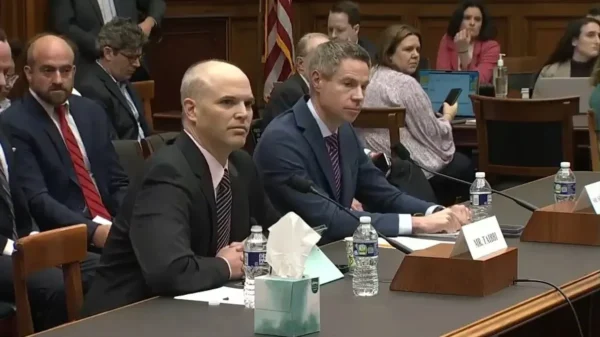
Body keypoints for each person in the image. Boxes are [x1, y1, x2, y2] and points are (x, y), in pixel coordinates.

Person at [81, 60, 280, 316]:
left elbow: (272, 231)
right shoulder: (168, 172)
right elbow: (169, 271)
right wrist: (225, 265)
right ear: (191, 110)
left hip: (205, 306)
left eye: (248, 103)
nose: (243, 113)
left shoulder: (240, 163)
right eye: (227, 102)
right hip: (130, 315)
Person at [254, 40, 470, 243]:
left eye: (363, 86)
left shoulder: (344, 130)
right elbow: (328, 220)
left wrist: (436, 211)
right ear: (317, 80)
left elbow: (380, 192)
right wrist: (418, 224)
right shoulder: (282, 140)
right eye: (348, 84)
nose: (359, 96)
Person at [1, 34, 129, 249]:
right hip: (66, 237)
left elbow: (116, 182)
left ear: (74, 72)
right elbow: (37, 199)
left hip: (113, 226)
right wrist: (94, 231)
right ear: (29, 73)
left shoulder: (91, 112)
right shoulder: (13, 122)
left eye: (66, 70)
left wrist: (131, 220)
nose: (58, 79)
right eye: (48, 70)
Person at [0, 28, 70, 333]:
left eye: (7, 74)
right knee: (56, 283)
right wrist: (16, 249)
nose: (4, 85)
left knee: (99, 267)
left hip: (19, 240)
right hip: (4, 250)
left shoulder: (3, 121)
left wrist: (34, 238)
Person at [359, 24, 473, 206]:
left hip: (377, 167)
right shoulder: (406, 84)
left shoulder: (368, 77)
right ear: (389, 54)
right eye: (408, 49)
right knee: (464, 163)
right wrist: (448, 117)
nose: (415, 55)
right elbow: (433, 134)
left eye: (418, 49)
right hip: (411, 170)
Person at [49, 0, 165, 83]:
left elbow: (156, 2)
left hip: (133, 67)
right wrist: (102, 47)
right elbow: (65, 25)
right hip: (91, 64)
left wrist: (149, 22)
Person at [77, 17, 152, 140]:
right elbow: (109, 142)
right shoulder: (91, 89)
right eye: (131, 57)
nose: (137, 64)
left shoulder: (124, 81)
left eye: (139, 57)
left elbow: (142, 129)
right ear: (108, 53)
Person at [263, 33, 329, 128]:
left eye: (331, 59)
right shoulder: (290, 92)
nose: (329, 64)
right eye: (321, 58)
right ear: (300, 64)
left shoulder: (321, 90)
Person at [436, 0, 500, 84]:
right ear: (459, 21)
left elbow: (478, 81)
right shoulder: (447, 40)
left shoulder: (491, 47)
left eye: (477, 19)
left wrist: (463, 53)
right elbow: (441, 77)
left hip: (477, 96)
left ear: (482, 24)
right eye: (467, 18)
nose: (472, 23)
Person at [533, 17, 600, 97]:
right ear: (574, 41)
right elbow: (536, 106)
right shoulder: (550, 72)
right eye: (590, 35)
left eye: (599, 36)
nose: (598, 41)